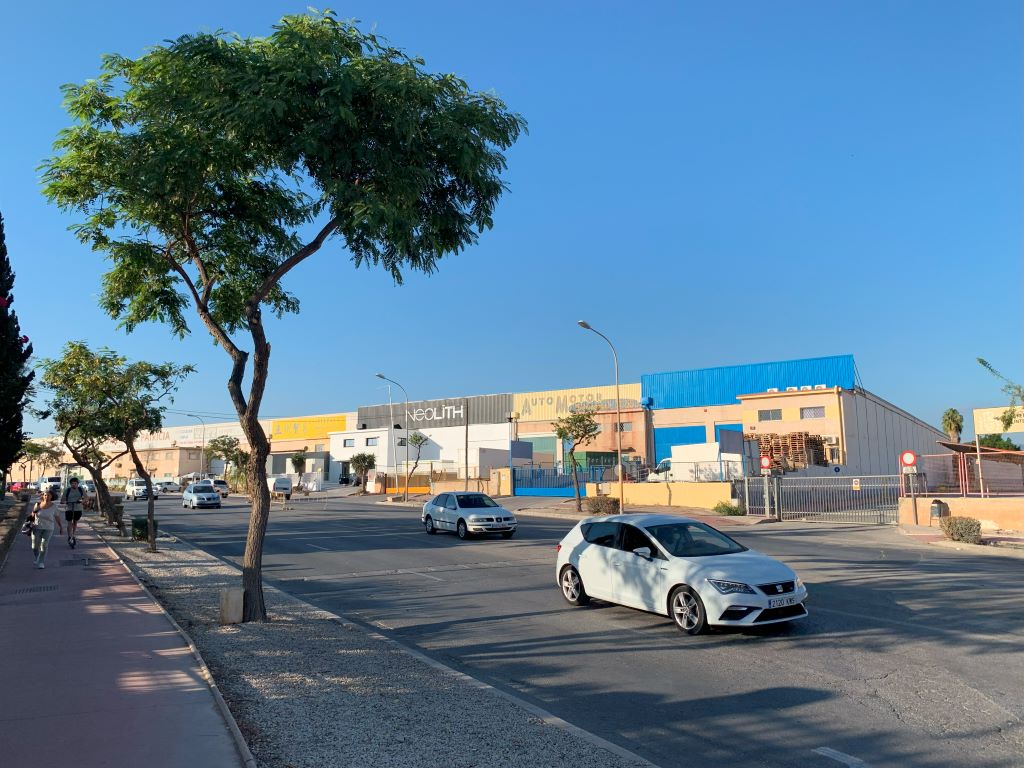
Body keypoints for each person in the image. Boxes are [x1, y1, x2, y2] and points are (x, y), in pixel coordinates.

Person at [30, 491, 63, 569]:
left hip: (48, 528)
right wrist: (31, 523)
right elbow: (32, 515)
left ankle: (41, 562)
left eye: (48, 495)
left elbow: (57, 517)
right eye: (45, 495)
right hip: (37, 527)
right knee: (34, 546)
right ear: (43, 496)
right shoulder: (37, 504)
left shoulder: (54, 506)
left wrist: (61, 527)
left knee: (44, 545)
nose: (46, 497)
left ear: (52, 497)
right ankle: (38, 557)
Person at [61, 477, 86, 548]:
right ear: (70, 484)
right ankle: (69, 536)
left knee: (75, 522)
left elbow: (86, 498)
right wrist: (64, 501)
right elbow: (62, 499)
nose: (74, 485)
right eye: (72, 484)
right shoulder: (67, 490)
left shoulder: (81, 489)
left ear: (78, 484)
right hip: (69, 508)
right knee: (69, 522)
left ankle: (73, 535)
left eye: (75, 483)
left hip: (78, 508)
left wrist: (82, 501)